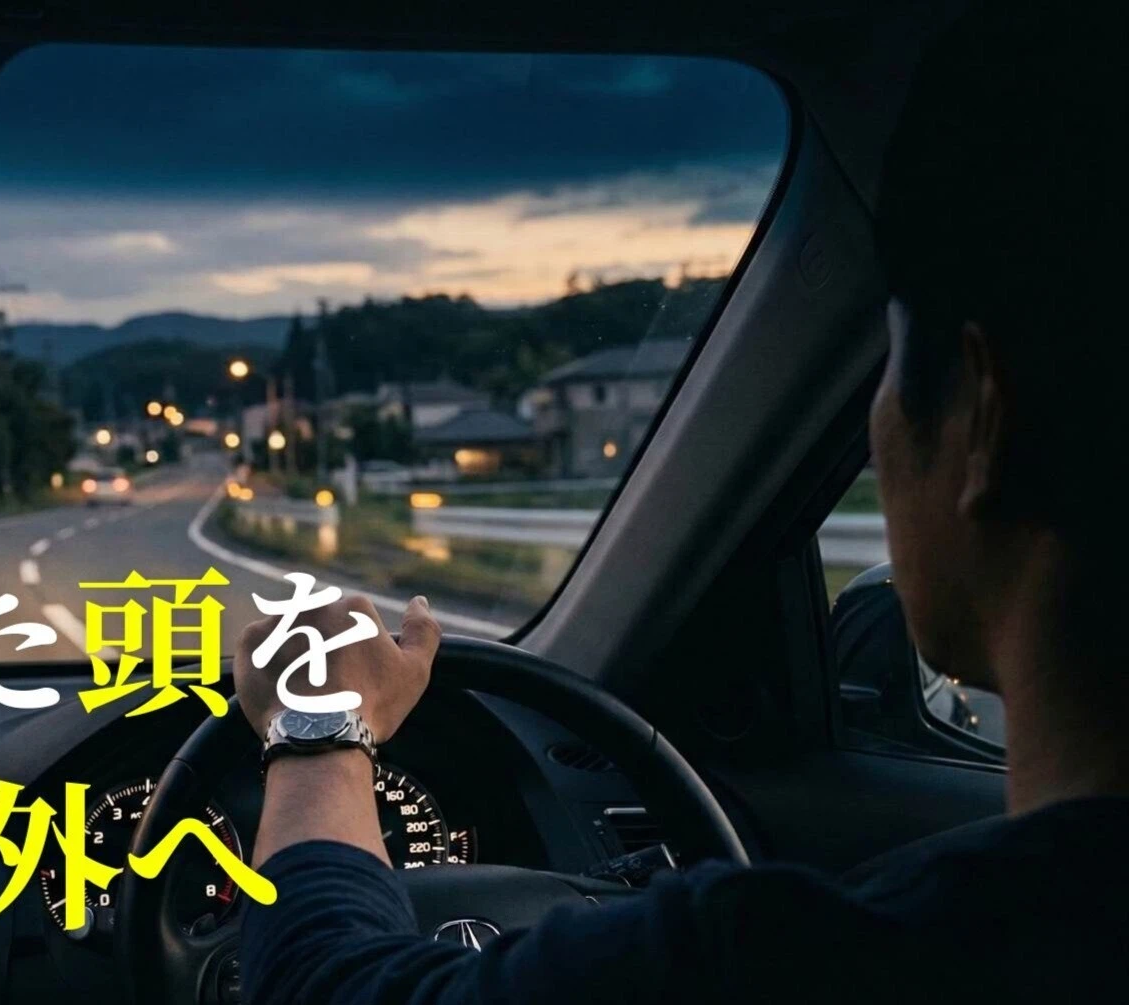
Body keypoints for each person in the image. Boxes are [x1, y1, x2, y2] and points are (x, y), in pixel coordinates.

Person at [233, 5, 1126, 1003]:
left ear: (983, 417)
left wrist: (318, 721)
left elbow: (322, 985)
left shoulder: (785, 964)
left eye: (884, 358)